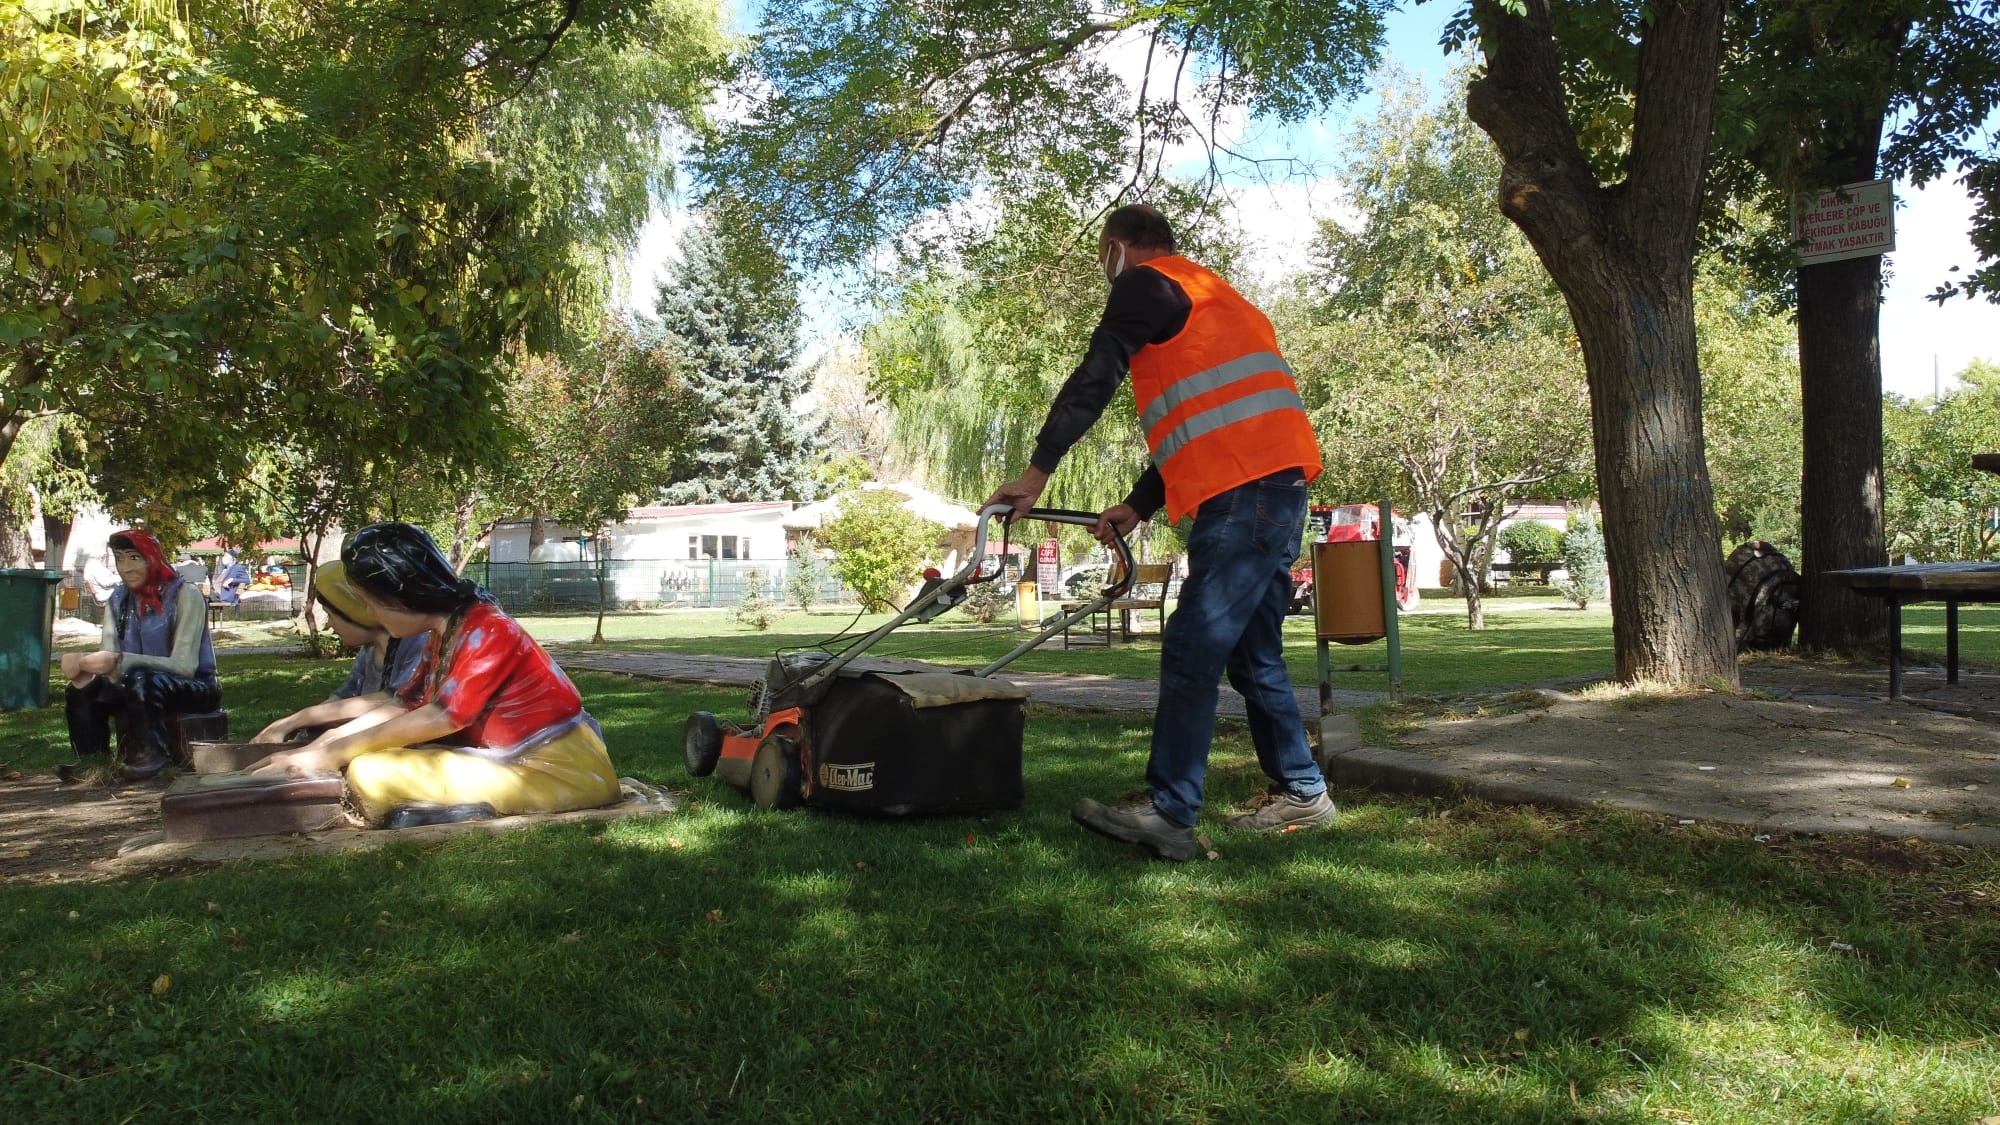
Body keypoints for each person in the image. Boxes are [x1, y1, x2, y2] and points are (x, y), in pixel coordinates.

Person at [985, 203, 1332, 861]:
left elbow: (1097, 373)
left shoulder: (1145, 283)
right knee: (1252, 655)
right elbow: (1204, 416)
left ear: (1119, 248)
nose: (1106, 273)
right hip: (1276, 487)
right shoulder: (1224, 301)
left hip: (1242, 491)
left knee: (1194, 644)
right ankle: (1303, 790)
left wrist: (1036, 474)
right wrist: (1140, 505)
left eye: (1103, 261)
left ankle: (1171, 810)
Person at [249, 522, 620, 827]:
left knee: (371, 774)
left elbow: (440, 716)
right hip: (507, 757)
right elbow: (401, 704)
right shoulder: (445, 633)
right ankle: (444, 805)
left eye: (370, 601)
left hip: (557, 767)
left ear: (401, 594)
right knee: (371, 765)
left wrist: (329, 754)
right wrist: (319, 749)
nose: (372, 614)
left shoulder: (488, 630)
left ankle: (454, 810)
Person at [61, 529, 221, 781]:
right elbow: (110, 654)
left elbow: (185, 665)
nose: (126, 568)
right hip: (137, 682)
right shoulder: (118, 599)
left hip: (196, 685)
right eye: (120, 559)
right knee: (82, 691)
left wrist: (123, 661)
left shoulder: (185, 595)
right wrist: (84, 666)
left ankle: (154, 755)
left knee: (143, 680)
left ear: (153, 558)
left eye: (134, 558)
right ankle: (91, 761)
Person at [249, 561, 430, 745]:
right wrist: (296, 728)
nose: (329, 624)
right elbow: (344, 698)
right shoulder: (369, 652)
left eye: (330, 615)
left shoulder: (417, 643)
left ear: (353, 611)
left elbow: (396, 702)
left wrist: (299, 720)